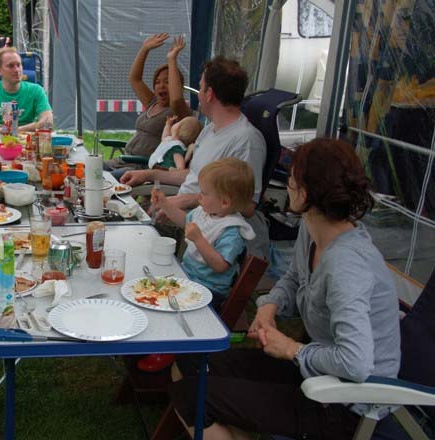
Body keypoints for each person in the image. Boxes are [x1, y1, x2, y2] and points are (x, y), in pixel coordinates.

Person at [167, 138, 401, 440]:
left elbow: (355, 363)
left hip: (346, 404)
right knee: (189, 361)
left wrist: (291, 349)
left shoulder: (346, 265)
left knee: (191, 396)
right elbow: (293, 279)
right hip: (316, 371)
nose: (286, 182)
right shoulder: (313, 226)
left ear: (306, 192)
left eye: (292, 176)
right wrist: (269, 306)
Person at [121, 53, 267, 257]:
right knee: (120, 221)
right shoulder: (210, 130)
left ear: (209, 94)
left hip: (204, 229)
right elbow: (192, 175)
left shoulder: (247, 141)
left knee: (129, 239)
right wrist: (148, 175)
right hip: (182, 208)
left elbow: (247, 205)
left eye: (200, 87)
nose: (198, 94)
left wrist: (187, 201)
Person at [152, 158, 256, 306]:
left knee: (160, 299)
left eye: (204, 193)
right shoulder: (207, 212)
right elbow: (185, 222)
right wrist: (164, 203)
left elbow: (220, 266)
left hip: (210, 290)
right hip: (188, 277)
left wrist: (199, 240)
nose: (199, 196)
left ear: (224, 202)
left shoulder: (232, 231)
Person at [104, 34, 191, 178]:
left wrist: (172, 59)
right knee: (85, 170)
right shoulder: (152, 102)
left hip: (141, 166)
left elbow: (176, 99)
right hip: (123, 160)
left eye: (167, 81)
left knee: (98, 179)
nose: (161, 85)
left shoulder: (178, 111)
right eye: (157, 82)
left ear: (177, 86)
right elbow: (134, 79)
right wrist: (144, 49)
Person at [0, 46, 53, 133]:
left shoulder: (36, 90)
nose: (17, 70)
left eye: (19, 65)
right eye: (10, 66)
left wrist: (12, 131)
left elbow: (48, 121)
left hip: (26, 141)